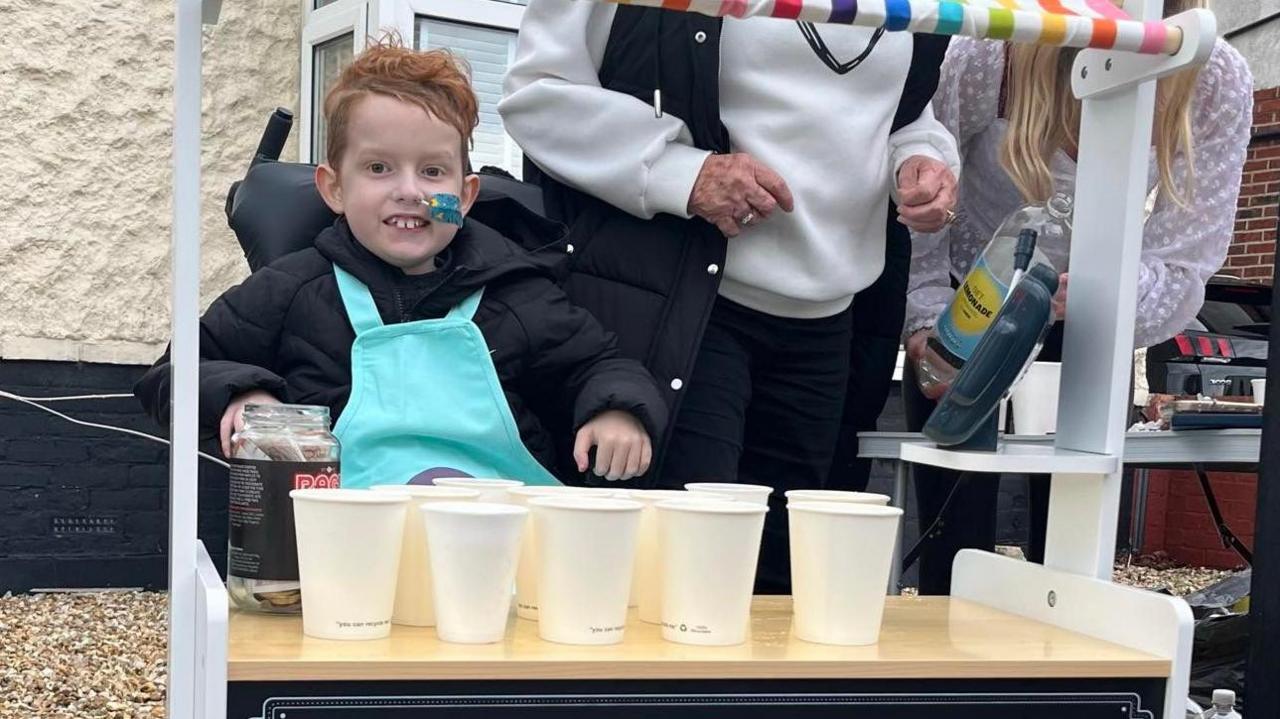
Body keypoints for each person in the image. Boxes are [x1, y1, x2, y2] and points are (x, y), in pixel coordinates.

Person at [500, 3, 959, 592]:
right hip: (685, 305)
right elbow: (539, 93)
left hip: (833, 324)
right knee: (683, 576)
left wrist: (924, 160)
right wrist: (682, 172)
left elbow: (902, 115)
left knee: (778, 588)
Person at [135, 40, 667, 488]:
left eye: (433, 172)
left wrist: (616, 408)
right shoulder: (292, 289)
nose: (409, 191)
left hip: (508, 557)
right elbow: (174, 371)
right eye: (379, 168)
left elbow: (600, 364)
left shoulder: (518, 292)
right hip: (346, 558)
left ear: (464, 195)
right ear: (334, 188)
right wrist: (241, 391)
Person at [902, 1, 1253, 594]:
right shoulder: (993, 49)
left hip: (1099, 316)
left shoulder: (1211, 70)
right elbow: (923, 197)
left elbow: (1186, 255)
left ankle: (1057, 679)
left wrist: (1103, 292)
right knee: (954, 533)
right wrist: (925, 320)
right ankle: (952, 674)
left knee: (1075, 539)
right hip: (970, 307)